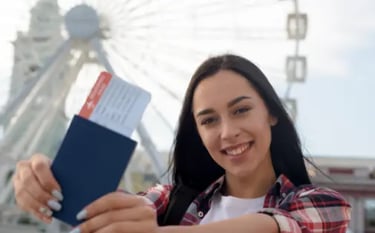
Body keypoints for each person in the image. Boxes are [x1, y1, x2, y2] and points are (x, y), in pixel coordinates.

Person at [13, 54, 351, 233]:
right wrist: (45, 180)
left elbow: (272, 227)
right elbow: (112, 210)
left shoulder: (320, 205)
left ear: (272, 114)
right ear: (198, 133)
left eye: (242, 110)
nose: (228, 131)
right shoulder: (168, 202)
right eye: (209, 120)